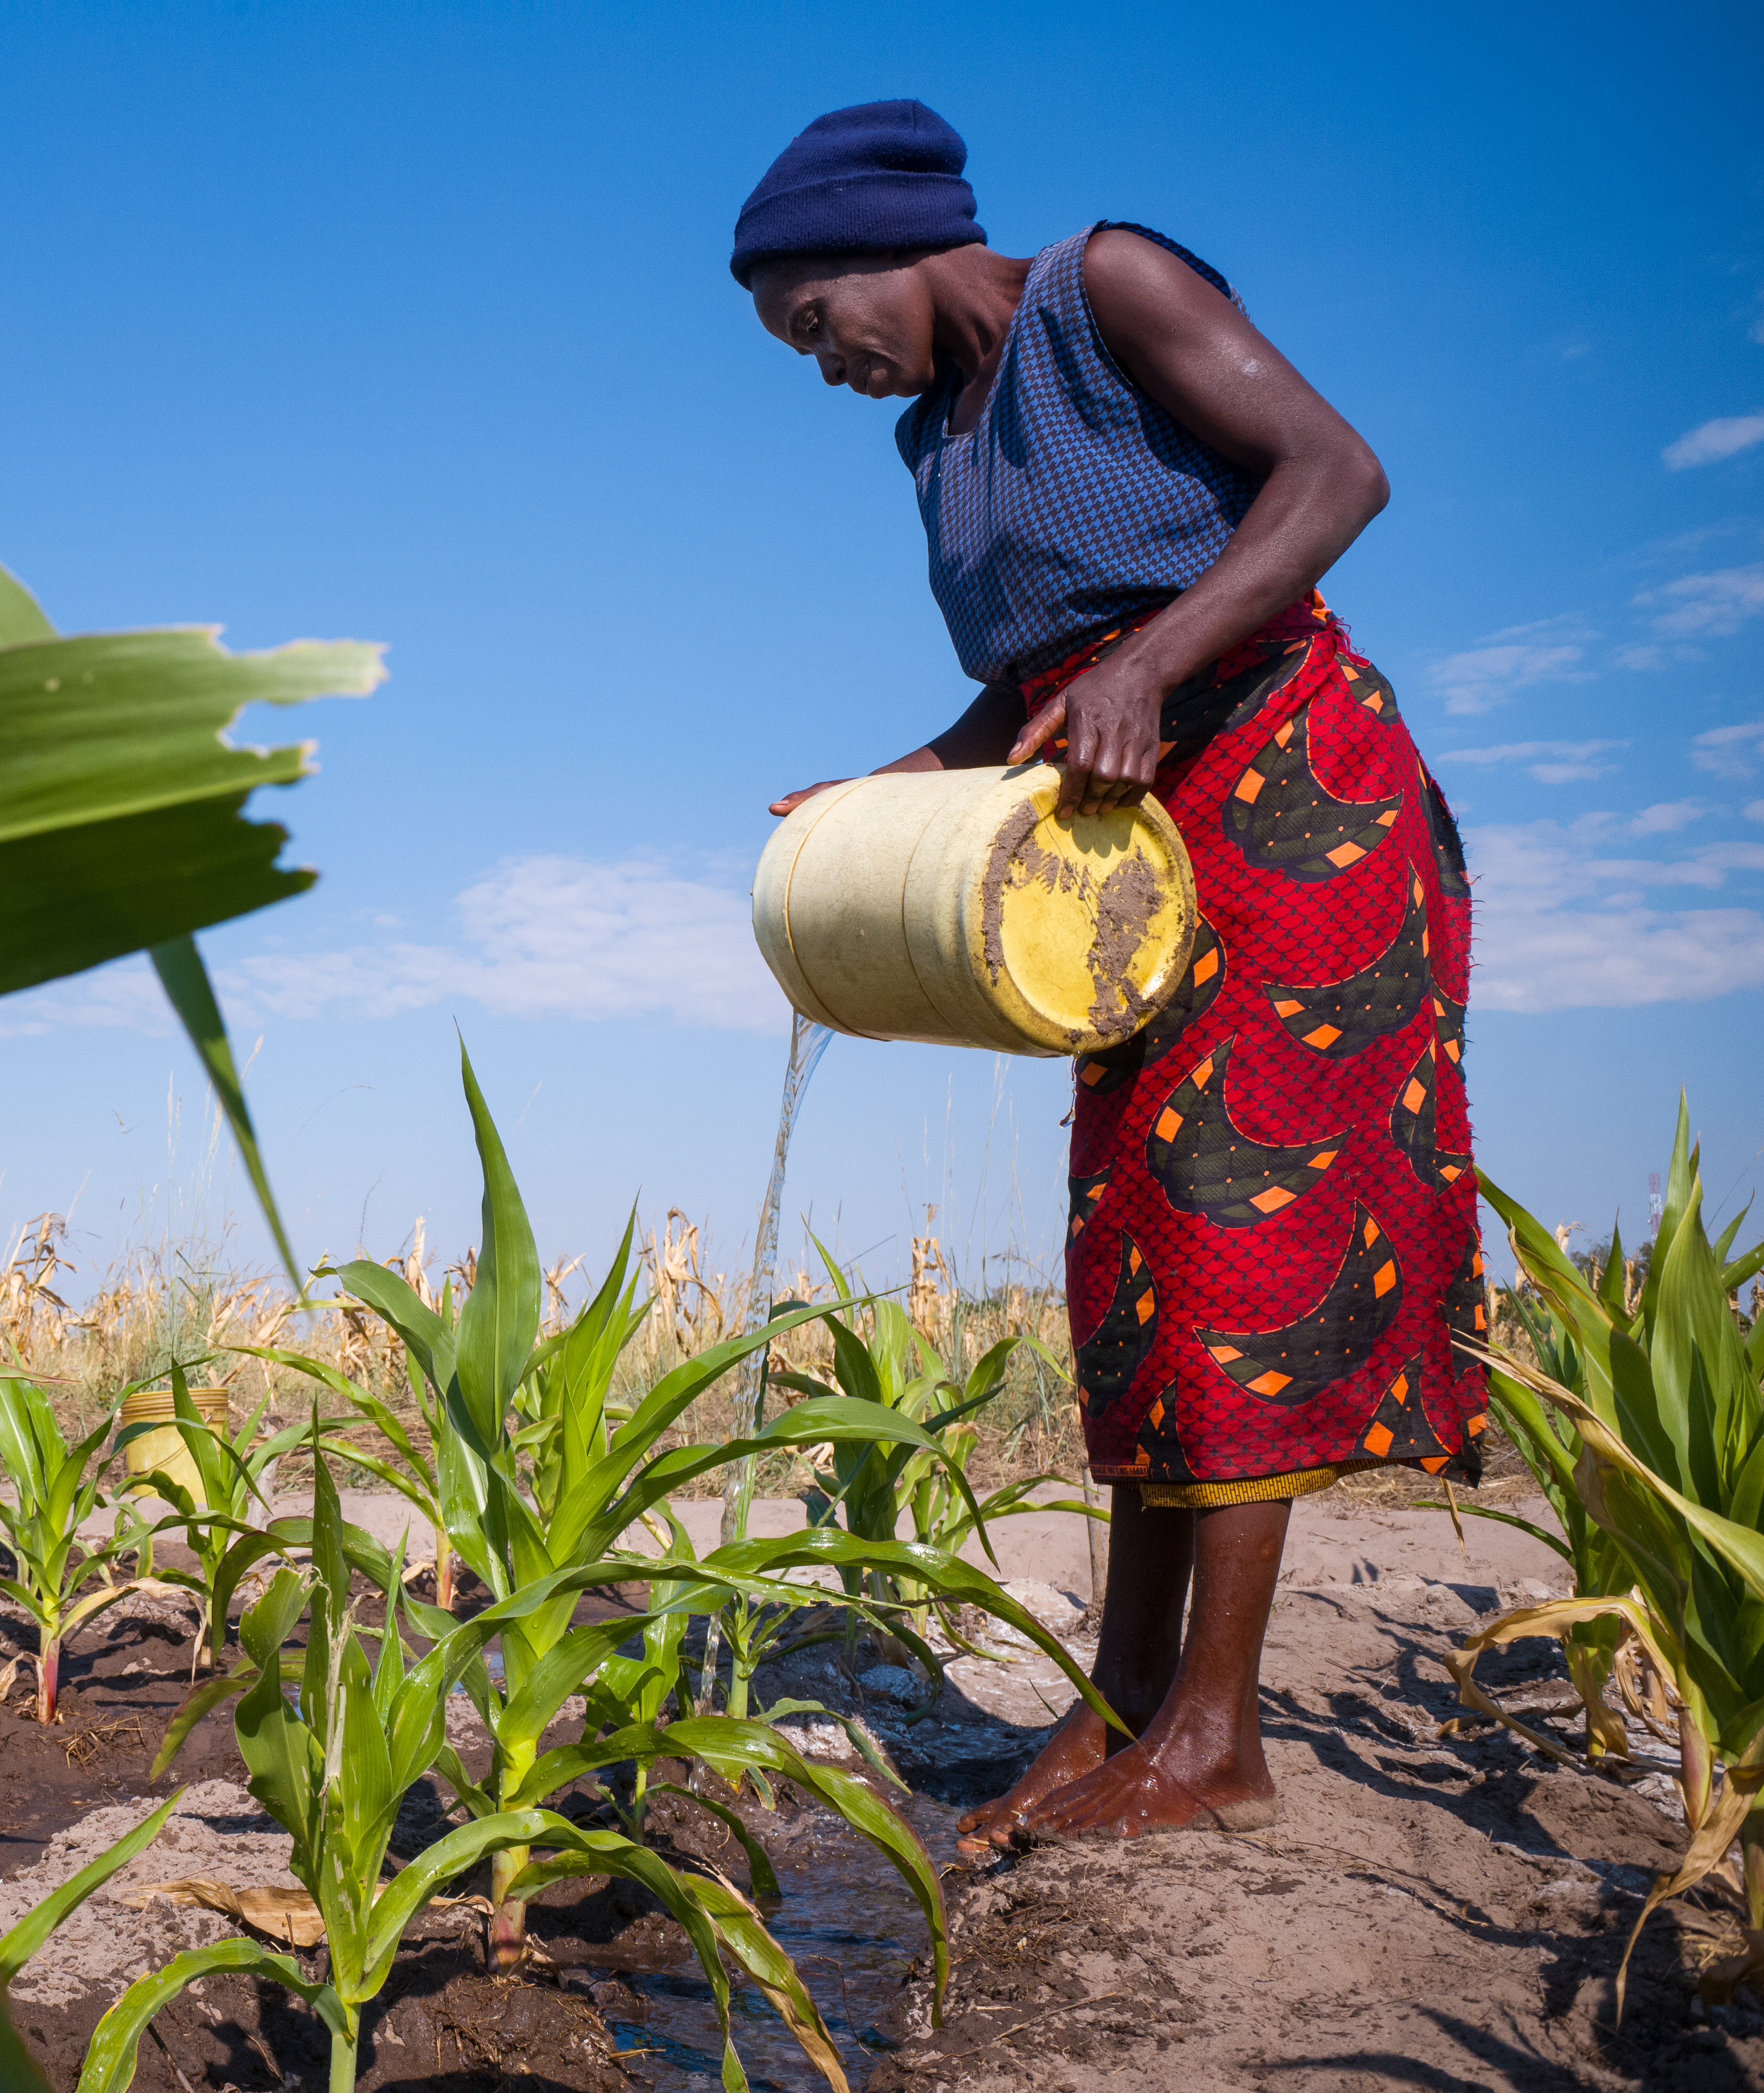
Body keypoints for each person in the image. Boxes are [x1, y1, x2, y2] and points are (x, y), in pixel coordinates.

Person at [734, 101, 1487, 1850]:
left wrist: (1152, 659)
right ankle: (1126, 1704)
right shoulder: (935, 435)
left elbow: (1336, 473)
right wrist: (906, 783)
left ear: (886, 245)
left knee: (1245, 1224)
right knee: (1138, 1242)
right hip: (1123, 844)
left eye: (811, 320)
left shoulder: (1108, 288)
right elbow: (1037, 685)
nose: (819, 363)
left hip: (1298, 796)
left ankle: (1216, 1736)